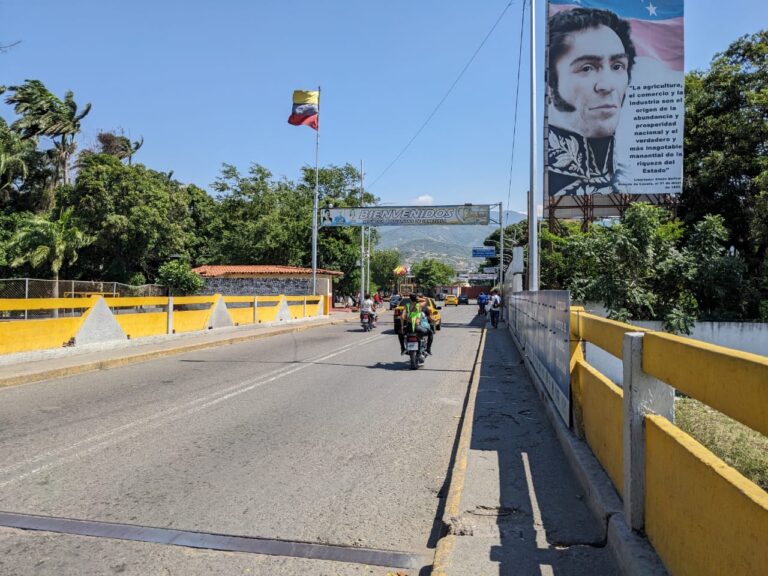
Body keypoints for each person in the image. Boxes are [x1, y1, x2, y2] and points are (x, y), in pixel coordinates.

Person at [547, 7, 635, 197]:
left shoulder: (633, 178)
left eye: (617, 66)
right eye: (587, 68)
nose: (607, 85)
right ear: (551, 83)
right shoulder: (551, 185)